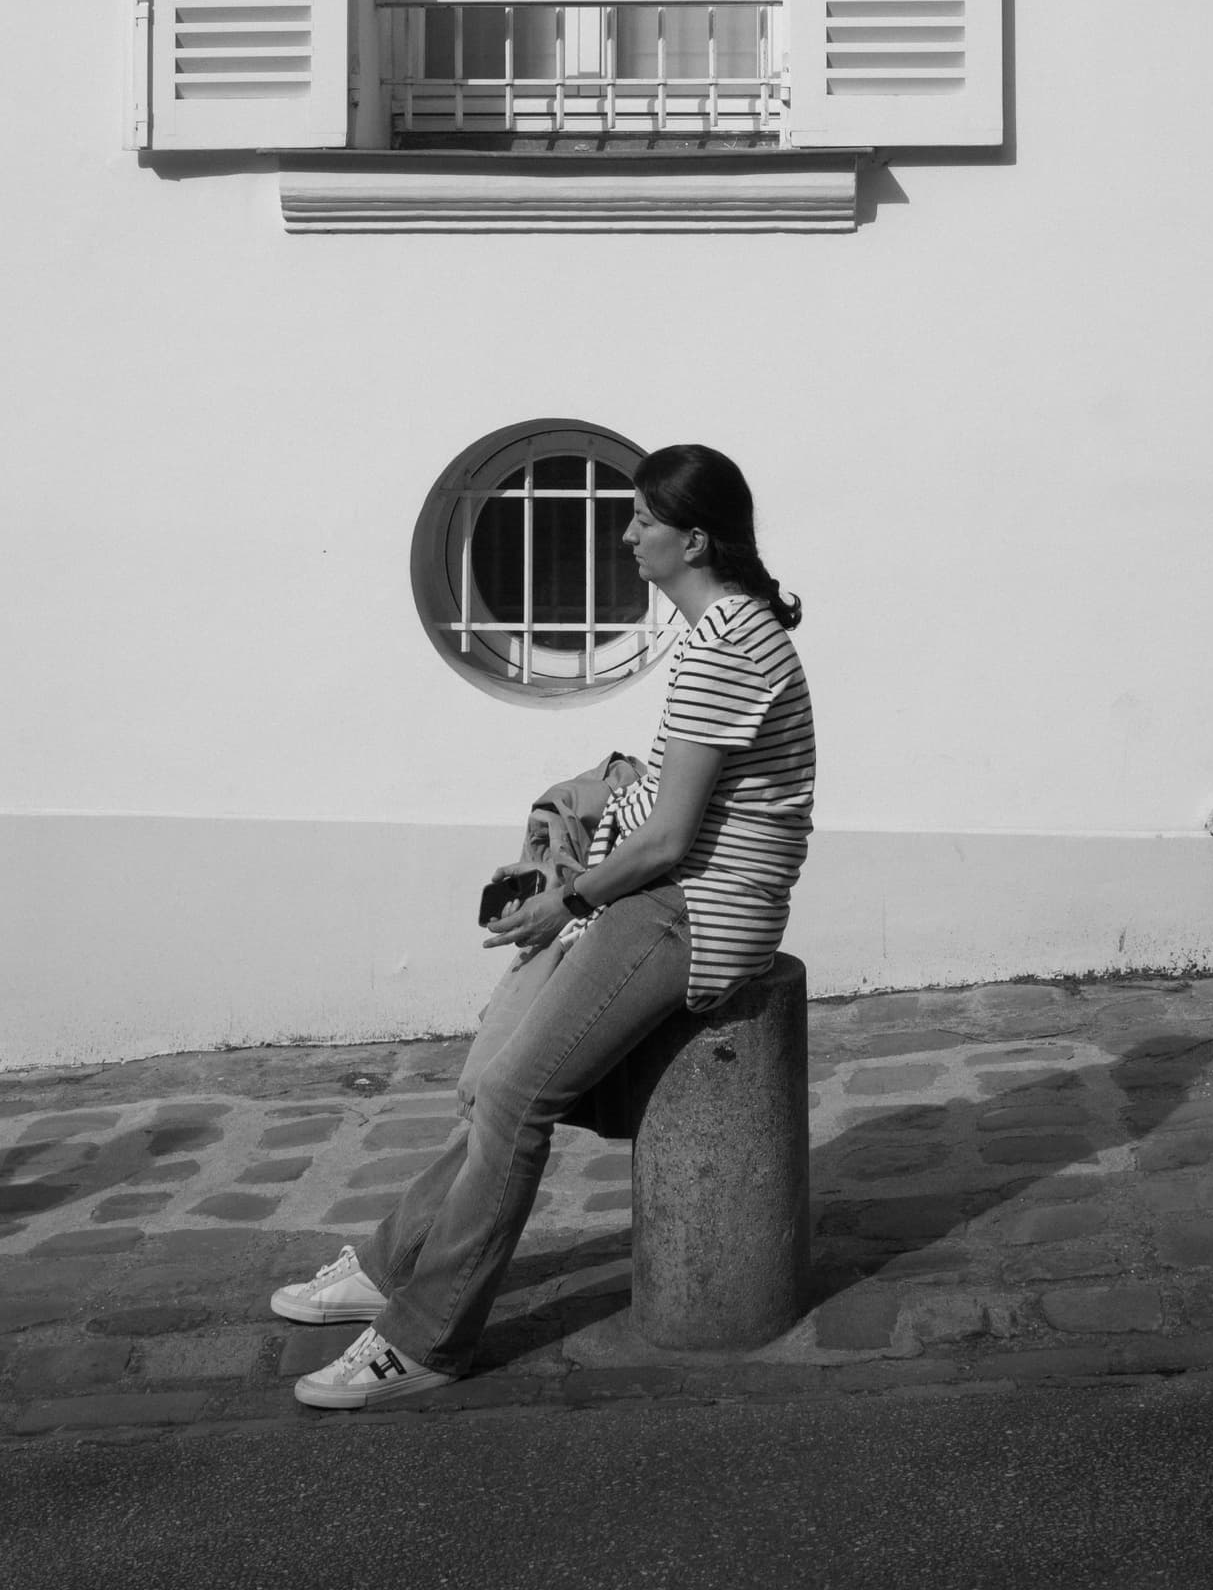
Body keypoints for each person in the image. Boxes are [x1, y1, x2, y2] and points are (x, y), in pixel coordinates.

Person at [271, 441, 814, 1410]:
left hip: (690, 909)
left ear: (692, 540)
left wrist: (568, 900)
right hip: (666, 896)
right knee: (498, 1083)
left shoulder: (727, 644)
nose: (624, 532)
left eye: (642, 519)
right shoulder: (720, 632)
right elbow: (659, 807)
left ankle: (428, 1336)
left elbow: (670, 840)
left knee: (516, 1094)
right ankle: (397, 1263)